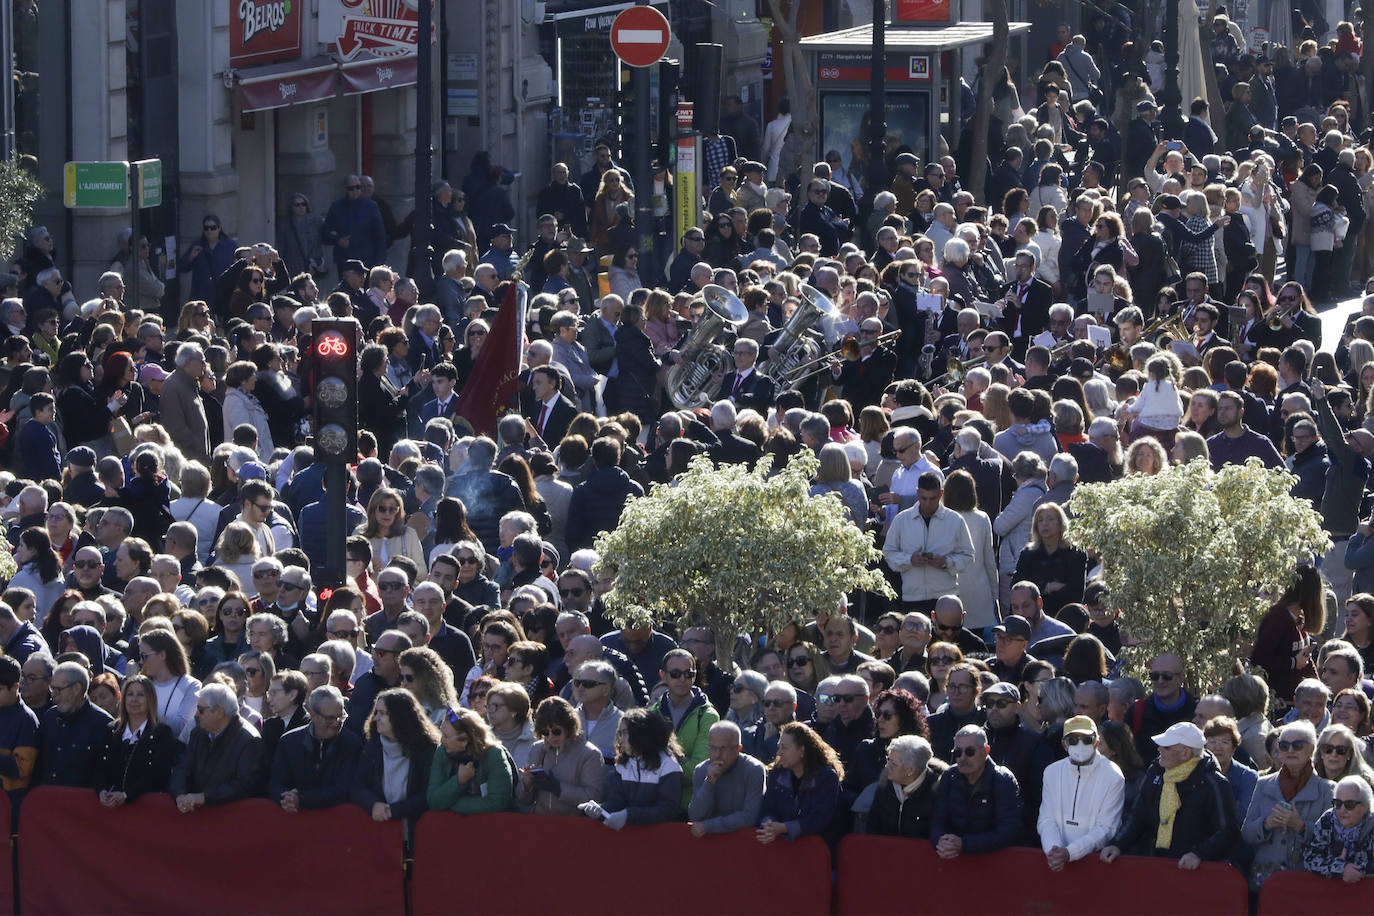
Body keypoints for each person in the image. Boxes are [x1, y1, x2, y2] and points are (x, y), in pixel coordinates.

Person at [1101, 722, 1239, 868]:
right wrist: (1117, 844)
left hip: (1195, 872)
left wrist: (1199, 854)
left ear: (1185, 753)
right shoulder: (1155, 772)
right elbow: (1138, 816)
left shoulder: (1214, 784)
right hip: (1156, 864)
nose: (1159, 749)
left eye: (1166, 747)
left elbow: (1228, 832)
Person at [1039, 715, 1125, 869]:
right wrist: (1053, 850)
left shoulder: (1114, 776)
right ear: (1064, 745)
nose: (1080, 744)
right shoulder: (1051, 772)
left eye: (1087, 740)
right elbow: (1046, 819)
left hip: (1097, 865)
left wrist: (1070, 853)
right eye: (1073, 740)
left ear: (1096, 742)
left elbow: (1106, 828)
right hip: (1056, 863)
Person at [579, 707, 683, 829]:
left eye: (624, 733)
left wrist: (629, 815)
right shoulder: (624, 764)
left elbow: (667, 810)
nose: (620, 739)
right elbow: (617, 802)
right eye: (619, 733)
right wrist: (600, 810)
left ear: (640, 733)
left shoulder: (668, 764)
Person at [930, 724, 1023, 856]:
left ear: (986, 751)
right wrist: (941, 841)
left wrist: (965, 844)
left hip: (994, 862)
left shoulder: (1003, 779)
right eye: (957, 752)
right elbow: (937, 821)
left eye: (969, 752)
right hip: (953, 859)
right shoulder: (948, 777)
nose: (962, 758)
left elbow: (1009, 830)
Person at [352, 687, 440, 826]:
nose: (375, 718)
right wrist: (374, 804)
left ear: (399, 716)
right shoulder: (373, 747)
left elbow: (428, 794)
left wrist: (394, 811)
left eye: (382, 713)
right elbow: (358, 786)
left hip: (417, 829)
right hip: (381, 831)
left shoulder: (426, 749)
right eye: (376, 712)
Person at [269, 685, 364, 812]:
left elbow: (343, 789)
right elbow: (275, 783)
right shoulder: (289, 742)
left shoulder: (352, 744)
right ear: (313, 714)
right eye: (330, 718)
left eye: (341, 717)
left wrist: (302, 799)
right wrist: (287, 798)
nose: (337, 723)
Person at [170, 683, 262, 812]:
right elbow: (182, 768)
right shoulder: (198, 732)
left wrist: (204, 797)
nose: (196, 714)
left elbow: (244, 785)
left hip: (231, 820)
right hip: (196, 818)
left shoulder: (249, 740)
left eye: (201, 710)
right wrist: (180, 795)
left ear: (219, 712)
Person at [653, 647, 720, 813]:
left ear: (695, 675)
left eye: (688, 674)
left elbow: (699, 769)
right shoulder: (651, 714)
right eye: (675, 674)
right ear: (663, 675)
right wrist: (683, 759)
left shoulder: (708, 715)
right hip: (656, 805)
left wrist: (661, 772)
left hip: (691, 808)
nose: (682, 679)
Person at [93, 674, 177, 806]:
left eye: (141, 695)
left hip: (146, 810)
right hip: (110, 809)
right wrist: (101, 791)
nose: (134, 699)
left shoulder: (162, 733)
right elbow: (98, 768)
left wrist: (126, 795)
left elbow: (159, 774)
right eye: (130, 694)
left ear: (150, 699)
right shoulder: (111, 730)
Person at [757, 722, 844, 845]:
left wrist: (784, 828)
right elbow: (768, 808)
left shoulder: (826, 778)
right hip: (781, 847)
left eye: (784, 748)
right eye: (779, 747)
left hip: (815, 849)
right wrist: (768, 824)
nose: (779, 753)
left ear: (802, 751)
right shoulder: (777, 773)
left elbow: (818, 819)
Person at [517, 695, 605, 816]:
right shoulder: (537, 748)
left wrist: (558, 788)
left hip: (572, 826)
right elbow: (524, 800)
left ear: (569, 726)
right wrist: (527, 784)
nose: (551, 737)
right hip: (540, 824)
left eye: (556, 731)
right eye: (545, 732)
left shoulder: (590, 754)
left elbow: (594, 797)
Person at [428, 706, 515, 815]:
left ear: (464, 741)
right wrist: (458, 781)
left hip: (493, 826)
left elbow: (497, 803)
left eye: (446, 736)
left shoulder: (494, 755)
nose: (441, 740)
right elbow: (433, 801)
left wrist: (449, 804)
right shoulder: (442, 752)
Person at [39, 661, 113, 787]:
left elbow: (104, 774)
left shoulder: (104, 725)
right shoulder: (49, 718)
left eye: (58, 689)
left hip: (83, 803)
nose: (53, 695)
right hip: (48, 800)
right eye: (52, 689)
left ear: (76, 689)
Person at [688, 721, 767, 836]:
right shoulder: (701, 770)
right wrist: (709, 782)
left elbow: (750, 816)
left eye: (723, 749)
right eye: (712, 748)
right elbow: (696, 816)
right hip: (710, 844)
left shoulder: (753, 769)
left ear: (738, 748)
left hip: (744, 843)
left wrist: (708, 827)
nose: (717, 755)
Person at [1303, 775, 1374, 882]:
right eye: (1338, 804)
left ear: (1365, 807)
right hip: (1332, 891)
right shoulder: (1328, 819)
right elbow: (1310, 858)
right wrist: (1340, 868)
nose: (1342, 810)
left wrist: (1356, 870)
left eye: (1349, 804)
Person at [0, 656, 38, 797]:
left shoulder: (26, 720)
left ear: (16, 686)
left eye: (0, 689)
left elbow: (22, 768)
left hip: (10, 802)